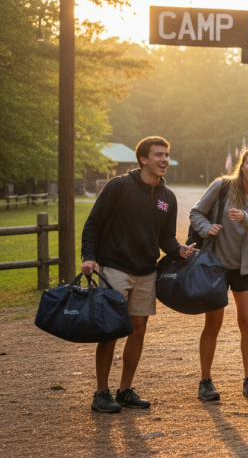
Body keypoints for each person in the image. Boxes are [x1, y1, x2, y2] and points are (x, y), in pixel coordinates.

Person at [80, 136, 196, 413]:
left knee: (138, 330)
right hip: (115, 268)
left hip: (147, 272)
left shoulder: (167, 198)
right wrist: (89, 256)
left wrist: (179, 250)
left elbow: (165, 238)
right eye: (158, 154)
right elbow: (93, 223)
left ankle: (124, 390)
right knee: (110, 331)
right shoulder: (120, 186)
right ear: (143, 159)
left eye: (167, 154)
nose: (164, 159)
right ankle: (101, 392)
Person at [189, 146, 248, 401]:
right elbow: (196, 212)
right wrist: (207, 228)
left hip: (246, 268)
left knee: (247, 323)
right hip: (215, 266)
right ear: (242, 165)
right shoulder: (222, 187)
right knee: (213, 324)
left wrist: (245, 219)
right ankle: (205, 381)